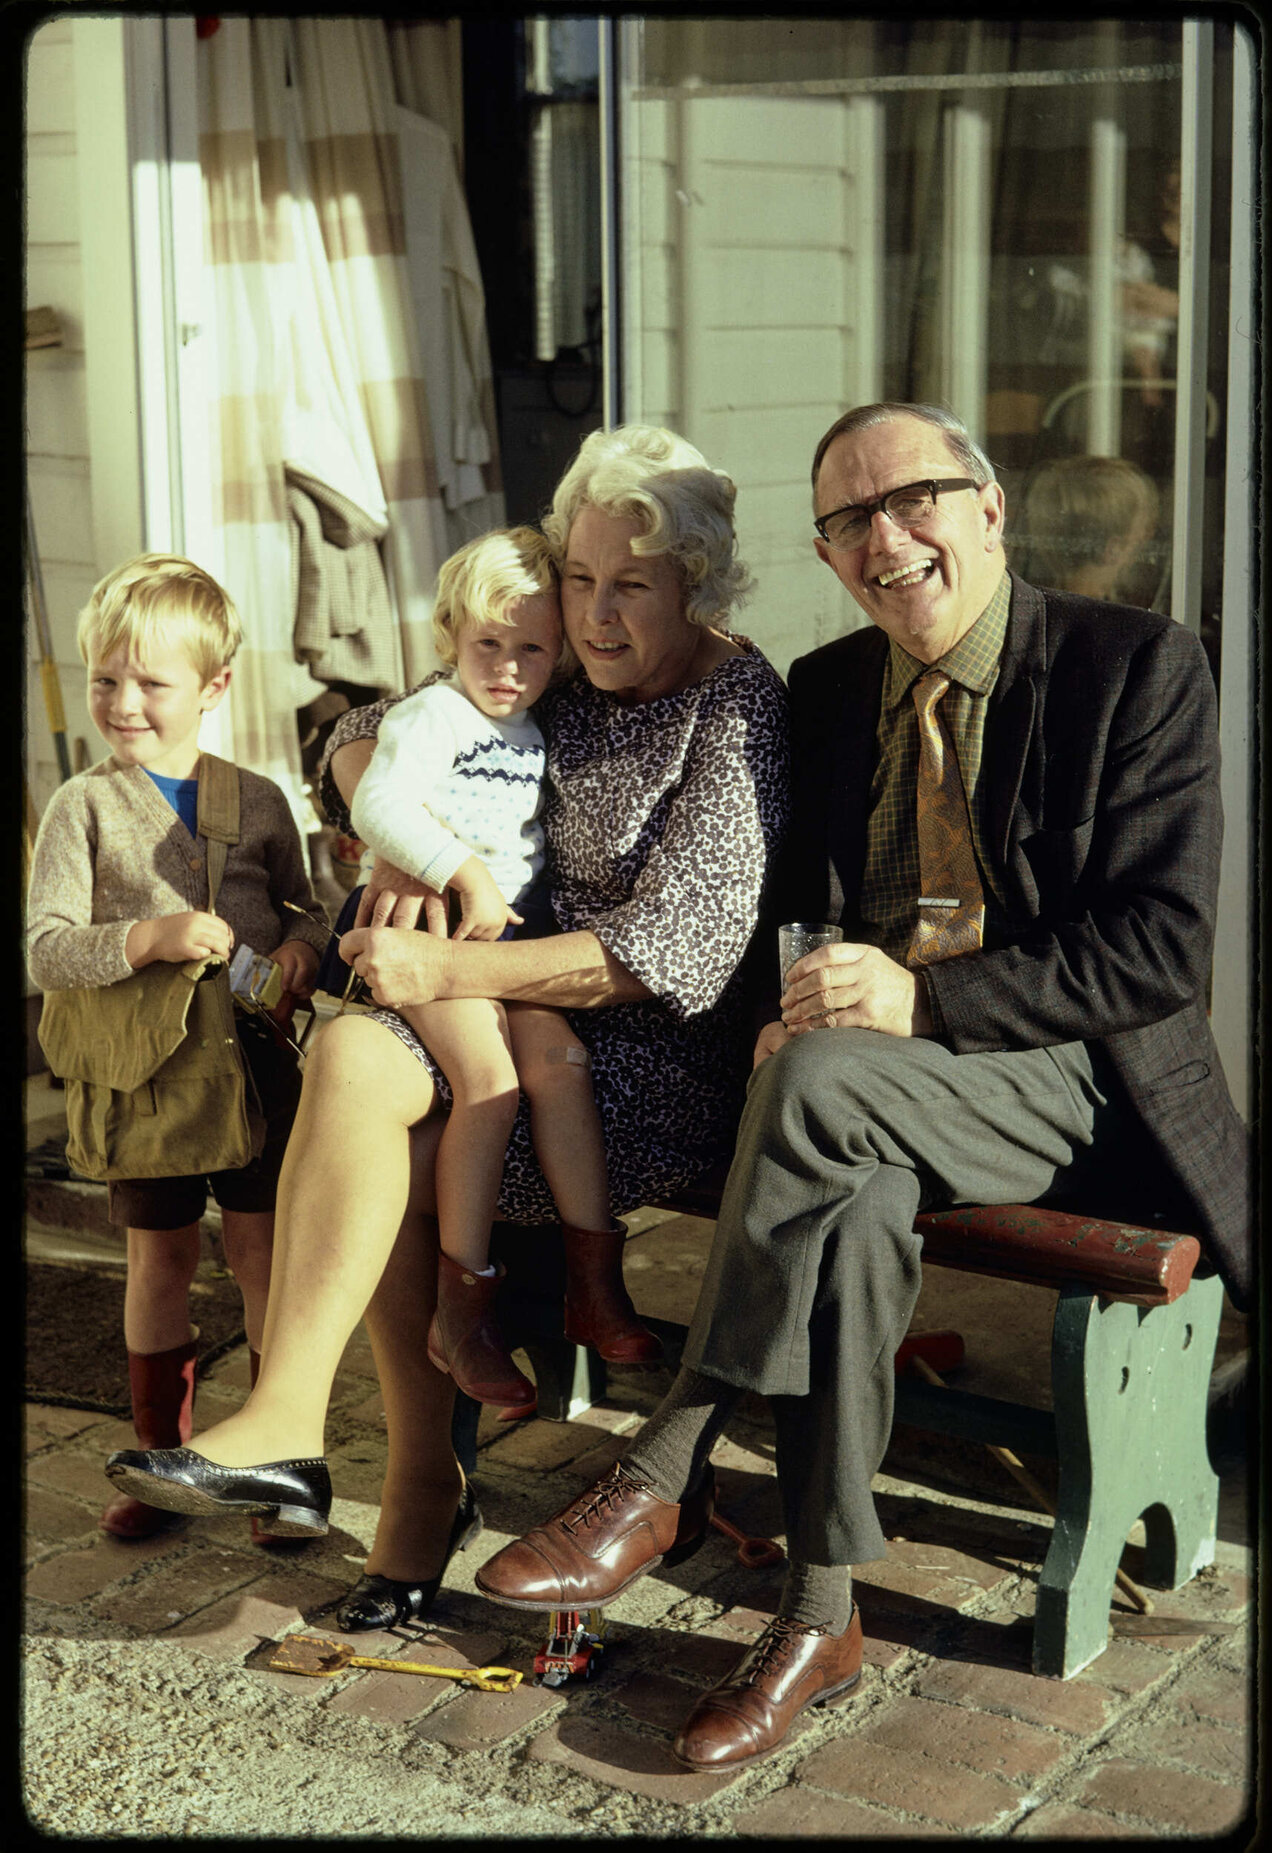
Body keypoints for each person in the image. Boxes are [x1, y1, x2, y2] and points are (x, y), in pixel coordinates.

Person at [473, 400, 1251, 1773]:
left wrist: (920, 1000)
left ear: (989, 508)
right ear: (826, 554)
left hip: (1076, 1089)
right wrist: (799, 1009)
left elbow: (1159, 950)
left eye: (916, 502)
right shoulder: (829, 691)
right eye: (848, 521)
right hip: (865, 1095)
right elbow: (796, 913)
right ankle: (819, 1614)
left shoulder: (1136, 667)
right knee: (853, 1192)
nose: (887, 540)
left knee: (830, 1087)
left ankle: (667, 1461)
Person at [103, 425, 791, 1630]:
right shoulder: (571, 663)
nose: (594, 615)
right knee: (357, 1048)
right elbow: (366, 729)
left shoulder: (733, 708)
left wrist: (444, 947)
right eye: (579, 579)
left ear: (699, 583)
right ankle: (289, 1421)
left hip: (647, 1057)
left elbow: (676, 949)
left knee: (400, 1128)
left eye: (631, 584)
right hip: (495, 1002)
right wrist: (409, 830)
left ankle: (423, 1480)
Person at [26, 554, 328, 1540]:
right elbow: (44, 949)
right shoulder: (84, 806)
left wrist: (297, 948)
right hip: (144, 1082)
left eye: (151, 682)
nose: (124, 702)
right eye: (106, 679)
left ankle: (272, 1460)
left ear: (214, 687)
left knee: (260, 1255)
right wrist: (147, 939)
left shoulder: (261, 799)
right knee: (157, 1264)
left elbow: (309, 911)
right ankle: (159, 1459)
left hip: (254, 1069)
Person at [332, 524, 660, 1408]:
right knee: (490, 1084)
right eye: (488, 644)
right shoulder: (434, 713)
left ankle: (595, 1282)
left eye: (531, 648)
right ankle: (462, 1310)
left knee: (560, 1064)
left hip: (505, 943)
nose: (508, 666)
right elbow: (378, 799)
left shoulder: (529, 723)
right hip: (435, 936)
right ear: (450, 637)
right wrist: (462, 871)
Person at [1014, 454, 1161, 606]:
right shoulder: (1114, 622)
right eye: (1144, 530)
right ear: (1113, 549)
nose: (1149, 537)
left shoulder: (1033, 606)